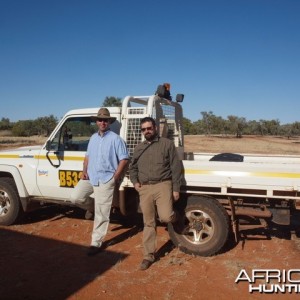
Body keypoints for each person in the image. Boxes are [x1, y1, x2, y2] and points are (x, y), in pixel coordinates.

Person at [129, 117, 183, 270]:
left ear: (155, 128)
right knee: (149, 222)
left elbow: (175, 167)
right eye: (144, 129)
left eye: (149, 128)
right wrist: (135, 182)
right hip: (145, 188)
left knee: (166, 217)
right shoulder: (139, 148)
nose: (147, 131)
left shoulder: (166, 144)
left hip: (163, 184)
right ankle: (148, 256)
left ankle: (177, 217)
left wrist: (176, 188)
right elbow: (132, 168)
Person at [83, 107, 129, 256]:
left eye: (105, 120)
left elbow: (124, 159)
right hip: (91, 176)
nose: (102, 122)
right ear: (96, 122)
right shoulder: (93, 138)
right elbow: (88, 156)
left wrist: (115, 177)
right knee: (75, 197)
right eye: (100, 119)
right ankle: (93, 208)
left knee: (102, 213)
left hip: (106, 178)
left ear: (109, 122)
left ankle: (96, 243)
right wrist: (84, 171)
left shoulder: (116, 139)